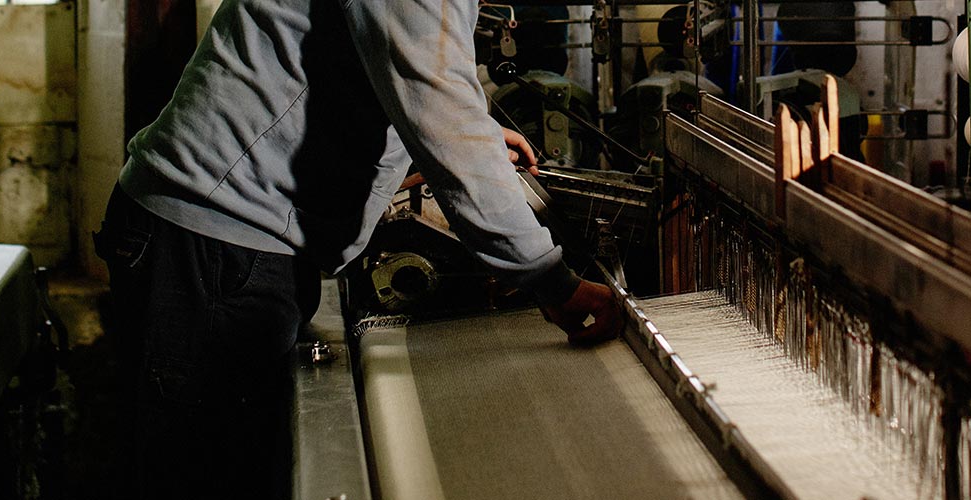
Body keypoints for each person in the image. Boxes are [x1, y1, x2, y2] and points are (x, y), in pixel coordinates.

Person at [93, 0, 624, 497]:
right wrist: (552, 281)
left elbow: (370, 72)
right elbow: (437, 104)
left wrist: (475, 139)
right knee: (206, 478)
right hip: (215, 242)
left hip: (218, 228)